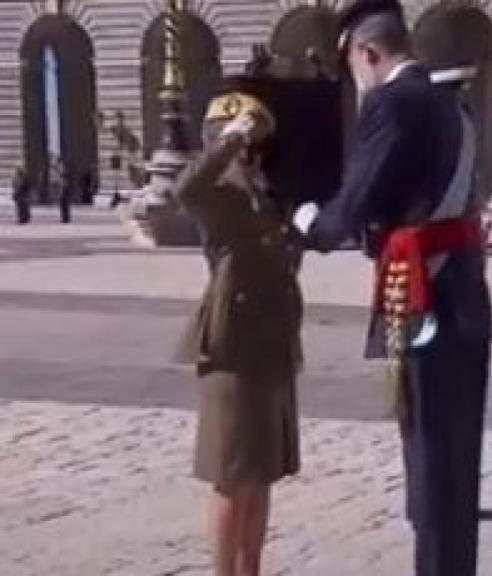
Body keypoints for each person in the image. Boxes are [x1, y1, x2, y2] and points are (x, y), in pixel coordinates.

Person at [294, 2, 492, 574]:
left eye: (353, 66)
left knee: (430, 459)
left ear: (368, 52)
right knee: (456, 463)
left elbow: (358, 200)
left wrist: (312, 222)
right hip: (466, 294)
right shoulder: (453, 107)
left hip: (422, 296)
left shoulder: (390, 102)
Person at [171, 77, 305, 576]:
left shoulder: (265, 200)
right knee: (232, 476)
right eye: (241, 146)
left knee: (262, 474)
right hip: (232, 351)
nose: (250, 156)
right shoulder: (218, 199)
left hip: (273, 348)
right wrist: (229, 138)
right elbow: (185, 188)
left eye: (254, 147)